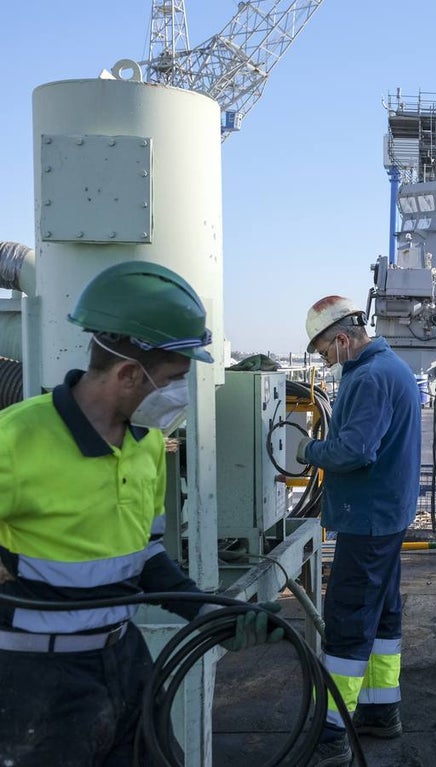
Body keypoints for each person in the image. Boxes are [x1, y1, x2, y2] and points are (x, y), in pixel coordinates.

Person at [0, 260, 281, 766]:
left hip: (124, 663)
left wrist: (210, 612)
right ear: (129, 373)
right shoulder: (15, 440)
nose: (179, 394)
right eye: (174, 379)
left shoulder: (148, 443)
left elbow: (144, 557)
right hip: (35, 685)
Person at [297, 296, 422, 767]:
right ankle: (380, 710)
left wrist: (307, 449)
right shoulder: (391, 367)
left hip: (368, 519)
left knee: (348, 619)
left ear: (344, 339)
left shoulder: (368, 377)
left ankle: (333, 732)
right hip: (387, 515)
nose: (324, 361)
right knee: (383, 615)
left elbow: (353, 451)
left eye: (325, 351)